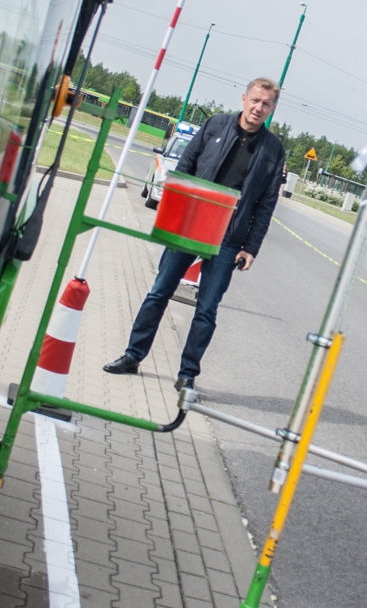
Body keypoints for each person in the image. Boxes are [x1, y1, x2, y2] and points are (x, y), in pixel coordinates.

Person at [104, 77, 287, 389]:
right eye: (255, 100)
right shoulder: (216, 125)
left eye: (266, 104)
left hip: (229, 238)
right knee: (159, 291)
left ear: (272, 109)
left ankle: (187, 375)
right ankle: (133, 355)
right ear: (244, 99)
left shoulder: (273, 150)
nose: (259, 108)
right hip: (189, 226)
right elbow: (186, 167)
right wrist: (172, 217)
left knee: (207, 309)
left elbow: (266, 205)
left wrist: (250, 248)